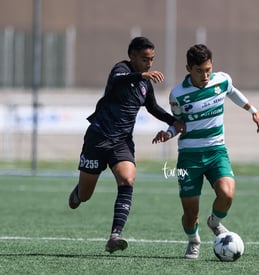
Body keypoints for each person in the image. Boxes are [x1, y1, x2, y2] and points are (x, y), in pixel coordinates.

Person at [68, 37, 184, 254]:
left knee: (127, 179)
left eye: (152, 59)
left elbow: (152, 108)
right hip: (98, 139)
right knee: (84, 196)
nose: (149, 64)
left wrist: (173, 122)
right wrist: (141, 74)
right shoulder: (120, 70)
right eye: (144, 59)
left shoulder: (144, 84)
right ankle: (78, 192)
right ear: (132, 56)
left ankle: (114, 236)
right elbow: (120, 80)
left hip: (121, 142)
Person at [152, 44, 259, 259]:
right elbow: (179, 123)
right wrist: (168, 133)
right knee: (190, 212)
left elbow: (233, 92)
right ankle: (193, 241)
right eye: (199, 70)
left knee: (227, 194)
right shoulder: (178, 94)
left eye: (208, 70)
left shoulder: (221, 80)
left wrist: (253, 111)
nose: (205, 75)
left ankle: (214, 222)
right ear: (188, 68)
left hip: (216, 151)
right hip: (189, 157)